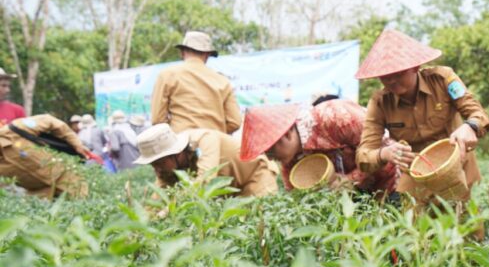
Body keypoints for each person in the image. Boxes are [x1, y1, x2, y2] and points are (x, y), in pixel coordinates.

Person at [355, 29, 489, 207]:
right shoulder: (379, 102)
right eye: (385, 77)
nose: (391, 81)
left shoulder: (443, 79)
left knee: (467, 222)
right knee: (411, 222)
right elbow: (363, 157)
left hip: (457, 168)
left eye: (398, 73)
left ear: (415, 67)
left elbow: (479, 115)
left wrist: (470, 126)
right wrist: (384, 154)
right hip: (416, 175)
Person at [241, 99, 398, 196]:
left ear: (286, 133)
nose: (270, 158)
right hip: (357, 203)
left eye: (270, 150)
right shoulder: (290, 164)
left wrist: (349, 181)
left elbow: (384, 146)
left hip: (392, 183)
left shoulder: (335, 116)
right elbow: (296, 197)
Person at [134, 123, 278, 198]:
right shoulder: (167, 168)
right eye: (153, 165)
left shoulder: (205, 139)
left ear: (176, 153)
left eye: (159, 163)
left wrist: (166, 211)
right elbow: (158, 196)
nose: (157, 170)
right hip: (230, 192)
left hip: (256, 175)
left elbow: (205, 181)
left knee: (258, 221)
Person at [150, 31, 241, 134]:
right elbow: (235, 122)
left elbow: (157, 119)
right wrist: (215, 132)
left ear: (182, 52)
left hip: (181, 140)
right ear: (207, 55)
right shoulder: (223, 81)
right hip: (213, 141)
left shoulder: (167, 75)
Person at [0, 114, 92, 198]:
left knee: (85, 203)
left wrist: (77, 144)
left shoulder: (15, 129)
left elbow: (50, 121)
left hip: (68, 181)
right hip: (39, 197)